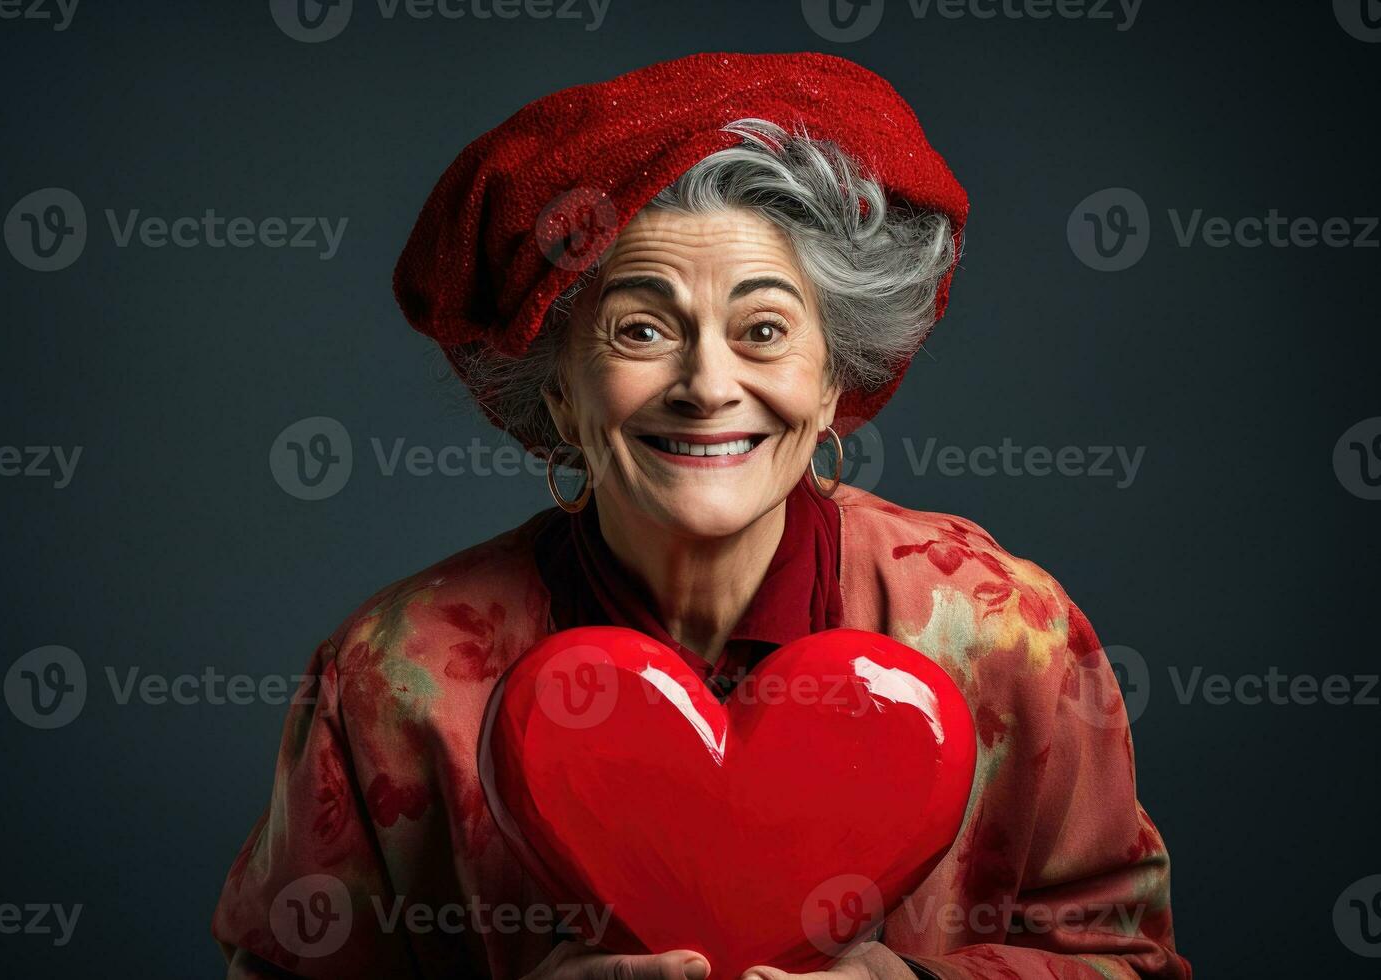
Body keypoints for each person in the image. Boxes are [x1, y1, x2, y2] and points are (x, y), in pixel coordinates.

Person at [212, 52, 1190, 980]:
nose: (706, 384)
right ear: (562, 394)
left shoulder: (1006, 632)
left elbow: (1132, 956)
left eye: (763, 329)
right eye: (642, 328)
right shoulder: (393, 677)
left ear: (830, 381)